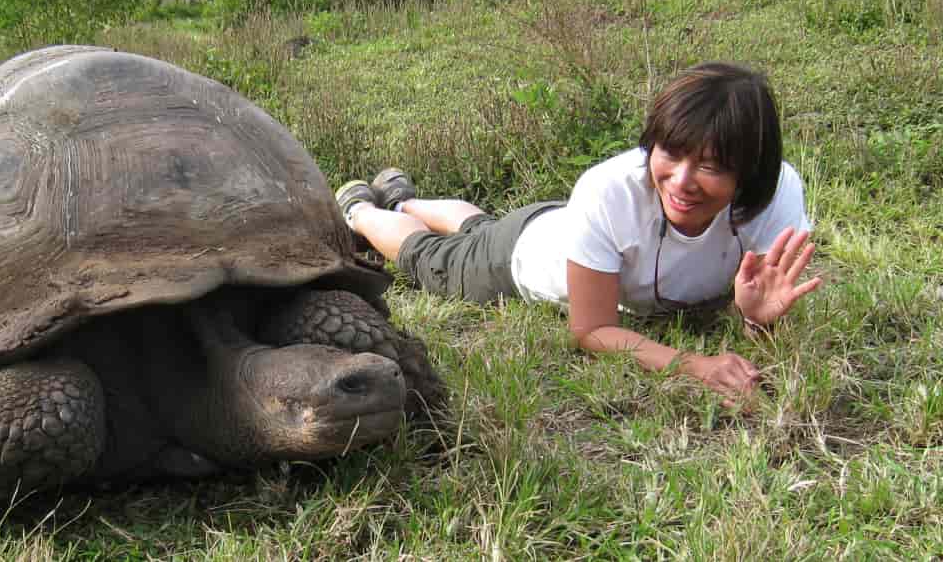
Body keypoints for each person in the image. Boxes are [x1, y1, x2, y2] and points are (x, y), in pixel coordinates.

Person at [334, 62, 822, 405]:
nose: (682, 181)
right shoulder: (611, 191)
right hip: (523, 257)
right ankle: (361, 208)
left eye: (712, 166)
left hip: (569, 227)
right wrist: (697, 364)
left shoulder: (779, 192)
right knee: (431, 257)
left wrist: (755, 319)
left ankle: (400, 198)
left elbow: (758, 303)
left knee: (479, 226)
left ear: (751, 170)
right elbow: (591, 330)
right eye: (670, 153)